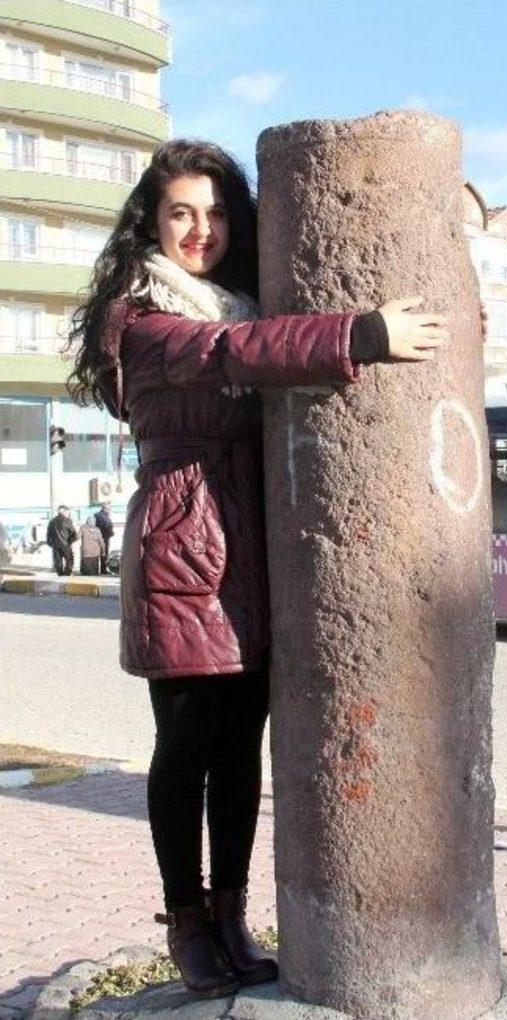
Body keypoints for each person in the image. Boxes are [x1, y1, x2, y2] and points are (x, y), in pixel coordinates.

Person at [66, 140, 451, 997]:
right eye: (181, 213)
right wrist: (364, 334)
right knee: (185, 745)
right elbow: (230, 356)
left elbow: (255, 340)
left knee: (241, 747)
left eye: (215, 213)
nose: (200, 229)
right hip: (181, 543)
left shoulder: (236, 303)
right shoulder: (144, 319)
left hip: (249, 547)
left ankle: (232, 911)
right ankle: (187, 919)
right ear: (151, 223)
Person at [46, 505, 77, 576]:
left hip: (55, 545)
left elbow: (48, 534)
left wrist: (50, 543)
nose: (68, 513)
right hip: (66, 544)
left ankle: (60, 574)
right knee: (69, 559)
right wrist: (70, 542)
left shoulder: (52, 521)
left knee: (58, 561)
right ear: (64, 511)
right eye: (67, 511)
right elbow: (73, 533)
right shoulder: (68, 521)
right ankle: (67, 573)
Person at [94, 501, 114, 574]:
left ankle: (95, 569)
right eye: (110, 508)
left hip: (96, 538)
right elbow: (108, 527)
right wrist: (111, 534)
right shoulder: (106, 517)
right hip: (104, 538)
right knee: (104, 554)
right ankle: (103, 569)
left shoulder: (95, 515)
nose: (111, 510)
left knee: (96, 553)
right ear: (106, 509)